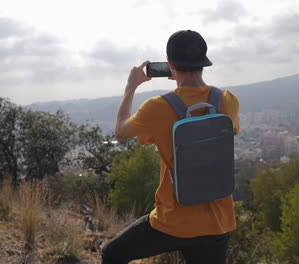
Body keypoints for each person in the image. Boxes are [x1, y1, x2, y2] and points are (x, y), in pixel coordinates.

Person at [102, 30, 240, 264]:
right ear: (203, 63)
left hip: (174, 221)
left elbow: (120, 131)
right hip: (218, 222)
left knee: (112, 253)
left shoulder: (157, 108)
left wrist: (131, 86)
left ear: (170, 64)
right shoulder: (227, 99)